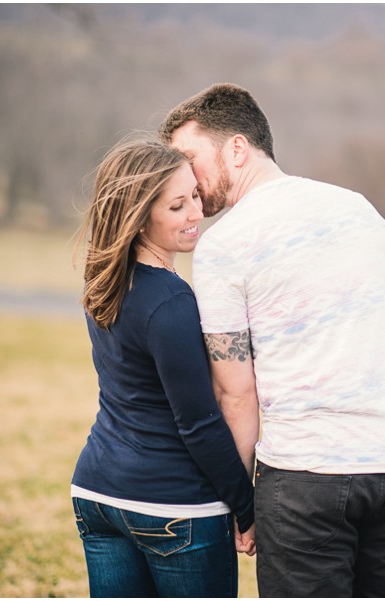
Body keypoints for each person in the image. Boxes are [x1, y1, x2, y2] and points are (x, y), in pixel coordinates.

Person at [158, 83, 385, 597]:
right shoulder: (361, 209)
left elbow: (237, 393)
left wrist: (244, 503)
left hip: (304, 479)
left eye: (189, 159)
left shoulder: (223, 244)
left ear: (237, 148)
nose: (183, 178)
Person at [70, 137, 256, 598]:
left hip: (97, 494)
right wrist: (246, 506)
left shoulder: (105, 283)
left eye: (195, 195)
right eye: (177, 206)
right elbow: (198, 422)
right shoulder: (171, 303)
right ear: (138, 217)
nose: (197, 213)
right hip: (173, 508)